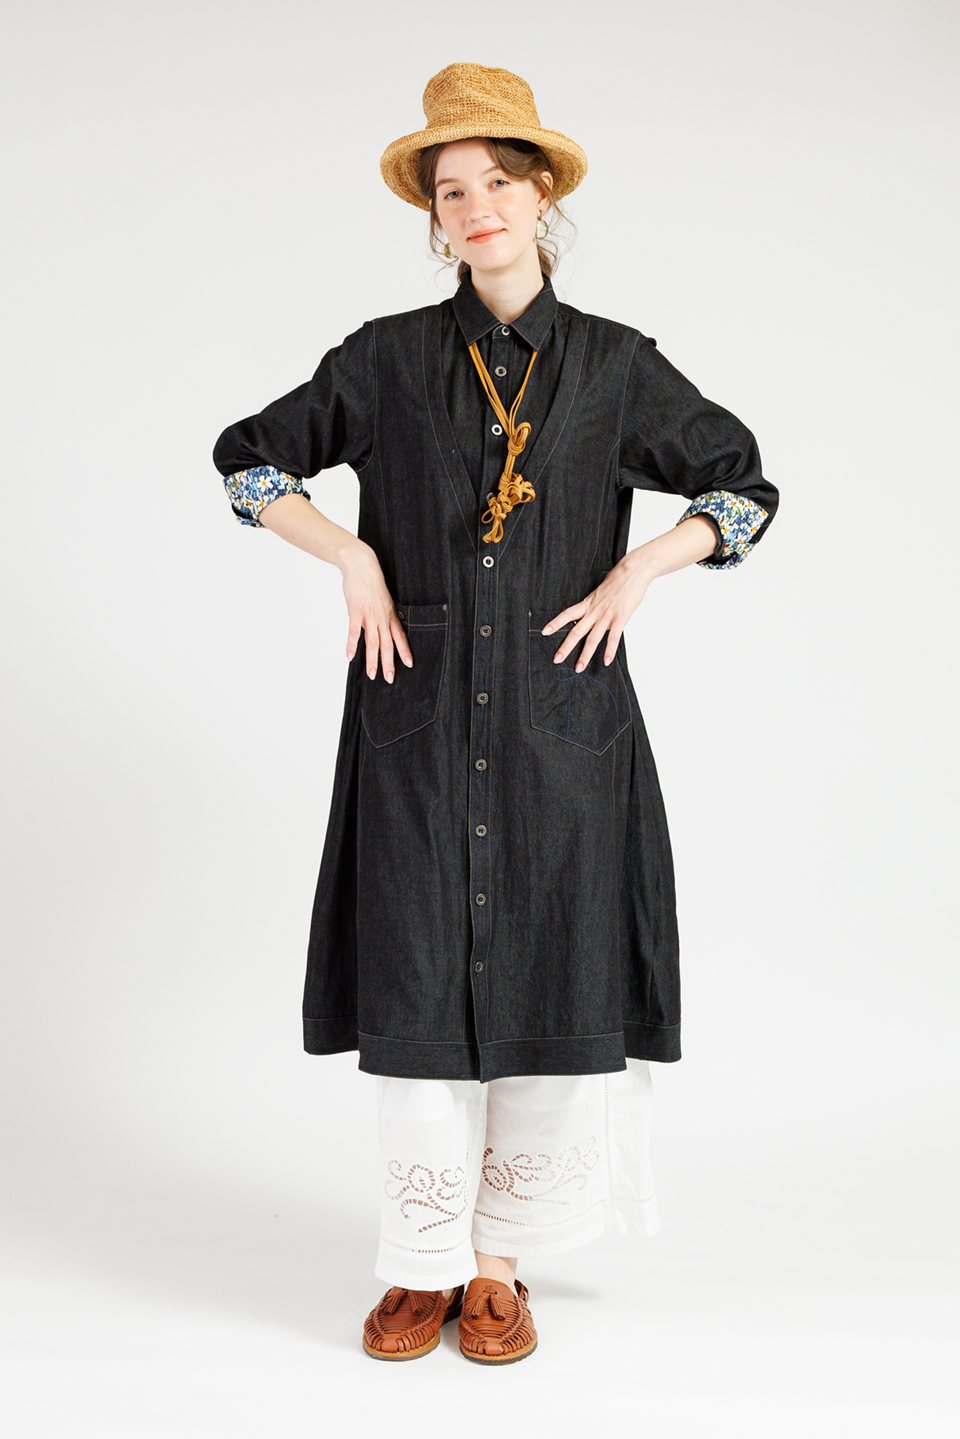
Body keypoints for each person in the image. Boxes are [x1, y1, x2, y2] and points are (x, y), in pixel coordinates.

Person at [212, 62, 778, 1365]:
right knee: (419, 978)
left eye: (497, 183)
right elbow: (247, 459)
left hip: (561, 727)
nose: (476, 208)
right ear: (434, 216)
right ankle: (418, 1263)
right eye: (450, 192)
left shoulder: (617, 366)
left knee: (551, 974)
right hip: (416, 724)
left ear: (542, 196)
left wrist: (642, 566)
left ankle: (496, 1267)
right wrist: (350, 555)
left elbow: (743, 488)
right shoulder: (387, 360)